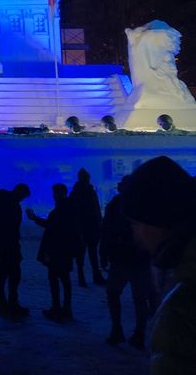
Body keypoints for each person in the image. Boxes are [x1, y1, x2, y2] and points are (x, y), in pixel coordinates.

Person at [122, 155, 196, 373]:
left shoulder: (183, 304)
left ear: (157, 220)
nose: (135, 236)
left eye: (135, 224)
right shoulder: (182, 271)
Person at [99, 176, 151, 349]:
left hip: (127, 258)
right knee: (136, 298)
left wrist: (104, 252)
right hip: (131, 258)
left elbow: (105, 230)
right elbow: (106, 230)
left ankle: (124, 331)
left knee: (127, 296)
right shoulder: (139, 206)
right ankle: (135, 332)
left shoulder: (116, 205)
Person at [26, 183, 80, 322]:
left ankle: (57, 307)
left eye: (56, 192)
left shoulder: (62, 209)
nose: (54, 195)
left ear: (61, 193)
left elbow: (51, 225)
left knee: (55, 278)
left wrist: (35, 218)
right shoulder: (68, 207)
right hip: (64, 249)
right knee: (63, 278)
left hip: (58, 249)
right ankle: (65, 308)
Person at [0, 183, 31, 319]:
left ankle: (3, 303)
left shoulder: (0, 204)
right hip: (9, 244)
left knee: (3, 274)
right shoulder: (13, 205)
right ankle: (11, 303)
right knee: (13, 274)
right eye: (23, 196)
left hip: (0, 244)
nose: (22, 199)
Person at [69, 167, 106, 286]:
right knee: (86, 253)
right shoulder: (83, 191)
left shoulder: (78, 192)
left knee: (86, 253)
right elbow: (95, 209)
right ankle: (87, 277)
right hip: (85, 227)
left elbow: (95, 209)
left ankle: (88, 277)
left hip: (87, 226)